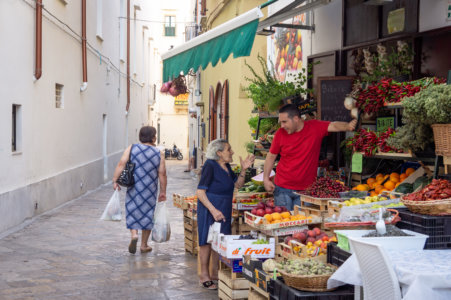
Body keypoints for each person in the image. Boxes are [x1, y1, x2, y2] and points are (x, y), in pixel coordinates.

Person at [263, 104, 357, 211]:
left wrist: (348, 126)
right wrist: (265, 178)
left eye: (284, 122)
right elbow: (271, 156)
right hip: (282, 188)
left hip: (306, 191)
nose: (282, 126)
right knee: (283, 222)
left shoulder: (315, 127)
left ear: (296, 118)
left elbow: (334, 125)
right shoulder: (280, 134)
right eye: (281, 122)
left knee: (304, 225)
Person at [196, 139, 254, 290]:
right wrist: (213, 210)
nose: (232, 152)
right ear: (219, 153)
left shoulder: (226, 166)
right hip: (210, 208)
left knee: (219, 241)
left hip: (225, 207)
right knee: (206, 241)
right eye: (229, 149)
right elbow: (200, 191)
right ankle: (204, 275)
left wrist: (244, 170)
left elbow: (237, 185)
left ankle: (214, 273)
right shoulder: (210, 165)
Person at [112, 126, 167, 254]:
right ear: (153, 137)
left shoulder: (132, 148)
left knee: (132, 209)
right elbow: (162, 173)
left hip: (134, 186)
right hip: (150, 189)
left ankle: (134, 235)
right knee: (148, 213)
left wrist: (115, 180)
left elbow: (121, 163)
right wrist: (163, 191)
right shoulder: (158, 153)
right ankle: (143, 245)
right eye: (155, 135)